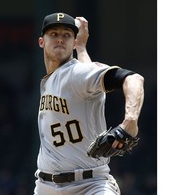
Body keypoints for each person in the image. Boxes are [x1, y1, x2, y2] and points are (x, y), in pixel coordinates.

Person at [33, 12, 144, 195]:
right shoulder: (52, 80)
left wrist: (130, 121)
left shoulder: (73, 73)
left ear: (73, 42)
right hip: (46, 187)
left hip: (89, 186)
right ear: (41, 42)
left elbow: (133, 79)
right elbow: (90, 88)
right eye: (54, 34)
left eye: (67, 35)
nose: (60, 39)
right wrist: (82, 48)